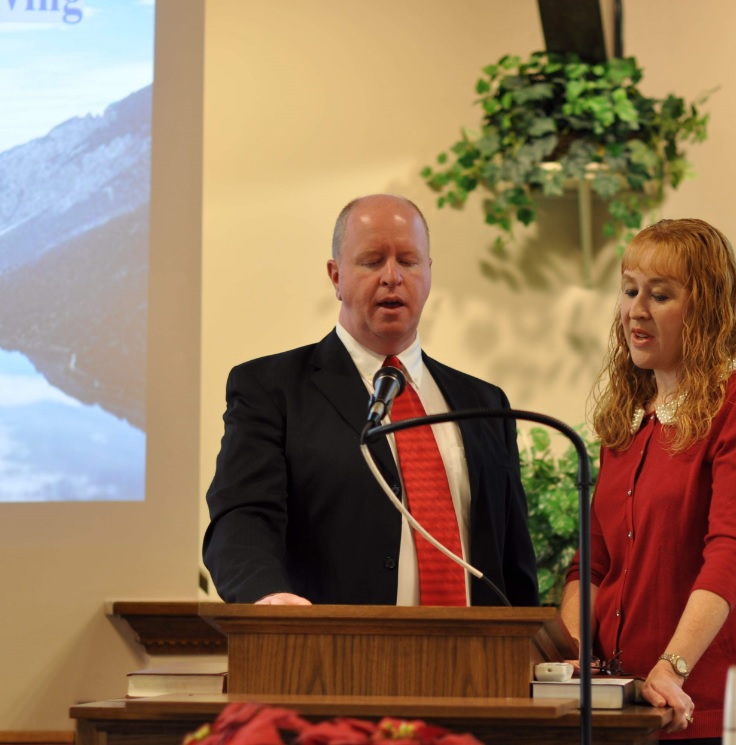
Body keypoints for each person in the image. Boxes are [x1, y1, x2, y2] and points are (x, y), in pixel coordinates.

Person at [202, 194, 539, 608]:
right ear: (336, 276)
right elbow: (242, 519)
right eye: (372, 261)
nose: (392, 277)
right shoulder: (272, 390)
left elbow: (513, 561)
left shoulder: (485, 404)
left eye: (408, 261)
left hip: (474, 648)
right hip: (330, 644)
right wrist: (268, 596)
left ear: (429, 274)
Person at [560, 218, 736, 742]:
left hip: (705, 709)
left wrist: (672, 667)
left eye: (660, 295)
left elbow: (731, 553)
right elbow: (592, 563)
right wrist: (572, 655)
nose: (636, 310)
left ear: (705, 309)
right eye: (629, 291)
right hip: (624, 707)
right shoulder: (628, 417)